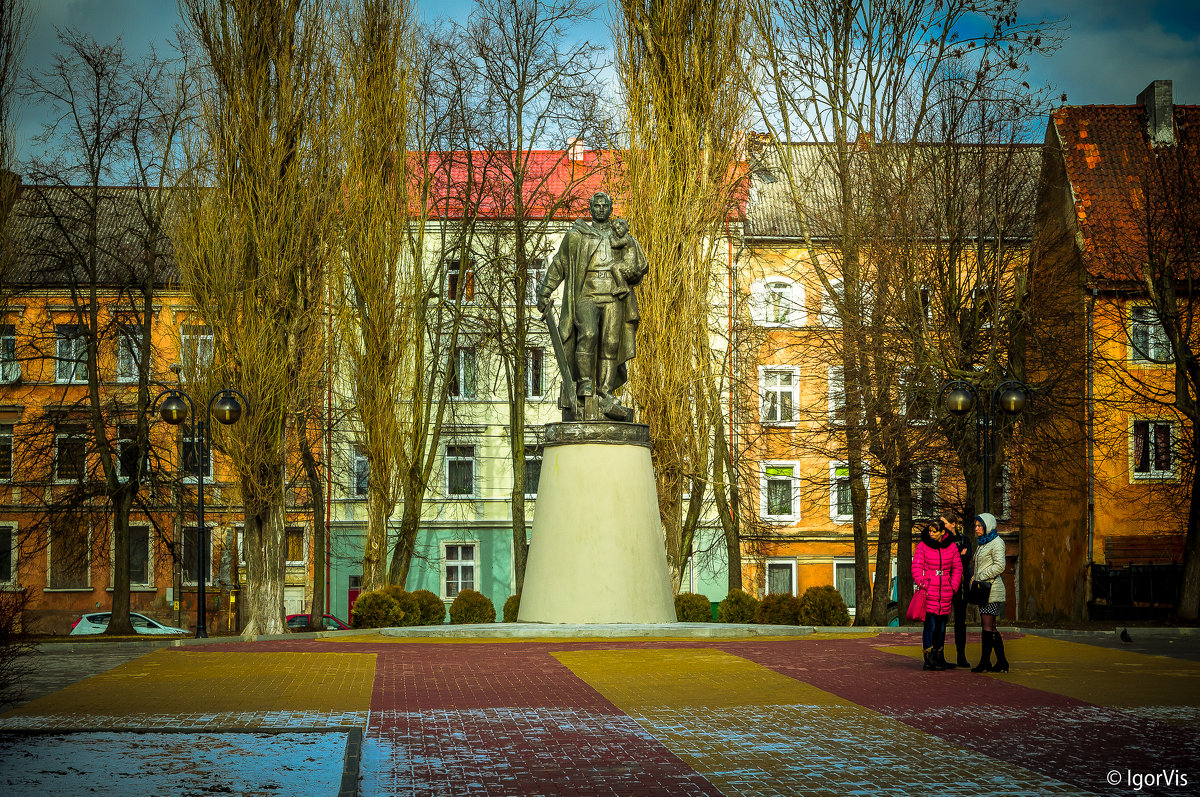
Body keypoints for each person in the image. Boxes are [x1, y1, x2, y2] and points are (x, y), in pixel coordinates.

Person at [536, 192, 649, 422]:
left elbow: (640, 263)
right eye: (595, 205)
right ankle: (585, 385)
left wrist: (632, 270)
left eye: (603, 205)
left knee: (611, 343)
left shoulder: (621, 234)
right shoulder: (578, 236)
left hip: (614, 294)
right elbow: (560, 263)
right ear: (590, 208)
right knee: (587, 333)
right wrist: (545, 290)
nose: (599, 209)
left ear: (610, 209)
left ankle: (606, 392)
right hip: (586, 294)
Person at [912, 521, 962, 671]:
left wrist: (953, 586)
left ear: (942, 532)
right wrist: (923, 583)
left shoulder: (951, 546)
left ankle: (939, 657)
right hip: (929, 592)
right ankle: (928, 659)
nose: (931, 534)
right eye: (930, 531)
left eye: (934, 531)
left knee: (941, 627)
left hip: (945, 592)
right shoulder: (923, 546)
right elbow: (916, 566)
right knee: (930, 626)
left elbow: (957, 567)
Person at [970, 512, 1010, 673]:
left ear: (988, 526)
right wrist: (974, 577)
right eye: (976, 526)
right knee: (990, 626)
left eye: (980, 526)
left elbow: (1000, 566)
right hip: (984, 590)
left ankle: (985, 662)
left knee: (987, 625)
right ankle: (1001, 662)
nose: (977, 528)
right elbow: (980, 565)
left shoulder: (997, 542)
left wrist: (980, 576)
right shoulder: (983, 543)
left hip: (991, 589)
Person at [941, 514, 973, 668]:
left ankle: (961, 655)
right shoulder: (941, 540)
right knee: (941, 620)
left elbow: (967, 558)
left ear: (953, 524)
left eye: (944, 523)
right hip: (944, 585)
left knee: (960, 621)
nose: (941, 525)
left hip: (961, 585)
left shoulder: (964, 539)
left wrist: (955, 558)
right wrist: (957, 556)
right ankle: (939, 654)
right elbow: (943, 561)